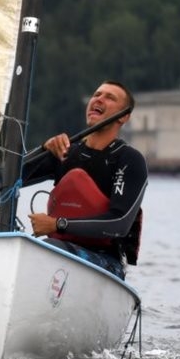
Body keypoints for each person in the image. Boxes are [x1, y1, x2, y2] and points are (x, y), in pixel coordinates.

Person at [24, 80, 147, 278]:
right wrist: (42, 149)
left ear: (124, 117)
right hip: (57, 249)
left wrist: (58, 224)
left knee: (48, 247)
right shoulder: (65, 152)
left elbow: (120, 223)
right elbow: (7, 177)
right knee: (29, 247)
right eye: (96, 94)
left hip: (105, 261)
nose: (99, 99)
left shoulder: (128, 159)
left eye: (110, 97)